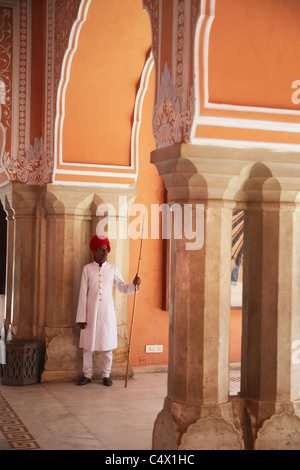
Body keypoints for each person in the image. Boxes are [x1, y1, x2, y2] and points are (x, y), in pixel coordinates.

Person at [76, 235, 141, 386]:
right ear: (95, 251)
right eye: (102, 250)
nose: (105, 252)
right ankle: (87, 374)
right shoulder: (87, 269)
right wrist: (81, 317)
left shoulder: (113, 269)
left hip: (107, 313)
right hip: (90, 313)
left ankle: (106, 374)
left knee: (108, 346)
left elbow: (123, 287)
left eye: (106, 250)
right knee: (87, 346)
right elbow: (82, 294)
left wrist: (134, 283)